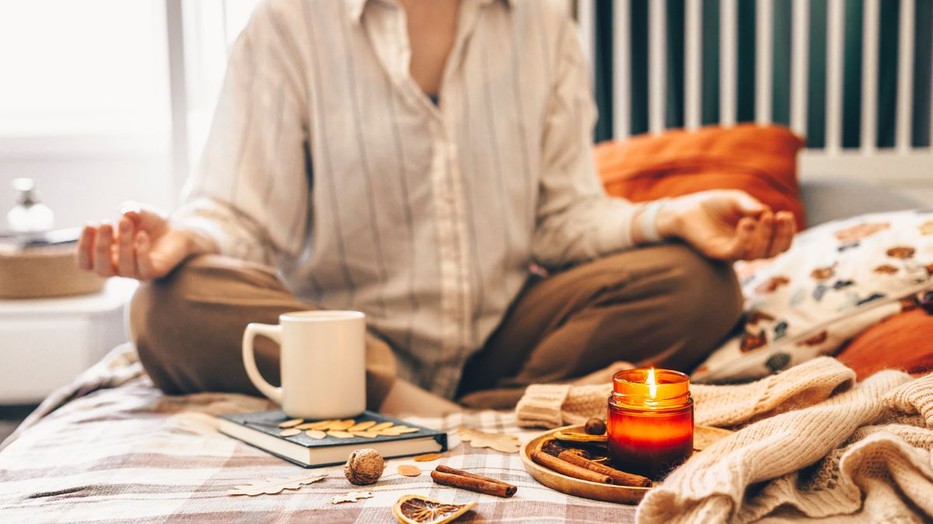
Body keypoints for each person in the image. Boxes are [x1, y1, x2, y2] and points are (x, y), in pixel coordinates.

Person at [78, 0, 795, 415]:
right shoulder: (288, 25)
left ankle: (482, 412)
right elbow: (240, 216)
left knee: (697, 283)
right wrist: (186, 239)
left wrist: (670, 216)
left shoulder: (544, 24)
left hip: (501, 339)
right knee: (167, 306)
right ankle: (420, 409)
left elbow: (565, 218)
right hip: (335, 342)